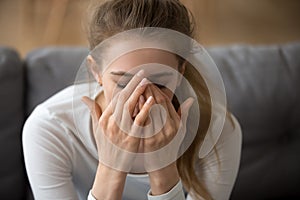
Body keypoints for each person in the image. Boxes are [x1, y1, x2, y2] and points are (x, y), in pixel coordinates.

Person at [22, 0, 242, 200]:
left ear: (180, 71)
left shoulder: (219, 130)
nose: (142, 101)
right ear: (96, 70)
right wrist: (111, 167)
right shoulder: (50, 128)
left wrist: (163, 171)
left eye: (160, 83)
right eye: (123, 84)